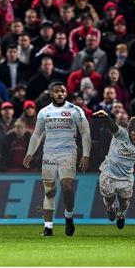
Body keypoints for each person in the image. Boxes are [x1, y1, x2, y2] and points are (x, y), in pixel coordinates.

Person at [23, 82, 91, 236]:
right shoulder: (44, 112)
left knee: (67, 188)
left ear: (66, 93)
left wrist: (86, 154)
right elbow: (37, 134)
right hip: (48, 154)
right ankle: (48, 227)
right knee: (50, 192)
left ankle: (68, 216)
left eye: (63, 91)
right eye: (56, 91)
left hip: (68, 153)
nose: (60, 94)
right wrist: (30, 153)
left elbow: (85, 133)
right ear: (51, 94)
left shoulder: (75, 110)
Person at [93, 109, 135, 230]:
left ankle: (120, 214)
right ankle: (110, 208)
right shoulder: (121, 134)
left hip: (126, 177)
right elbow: (112, 127)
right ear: (129, 131)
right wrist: (105, 117)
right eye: (134, 134)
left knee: (124, 201)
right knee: (109, 197)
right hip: (109, 173)